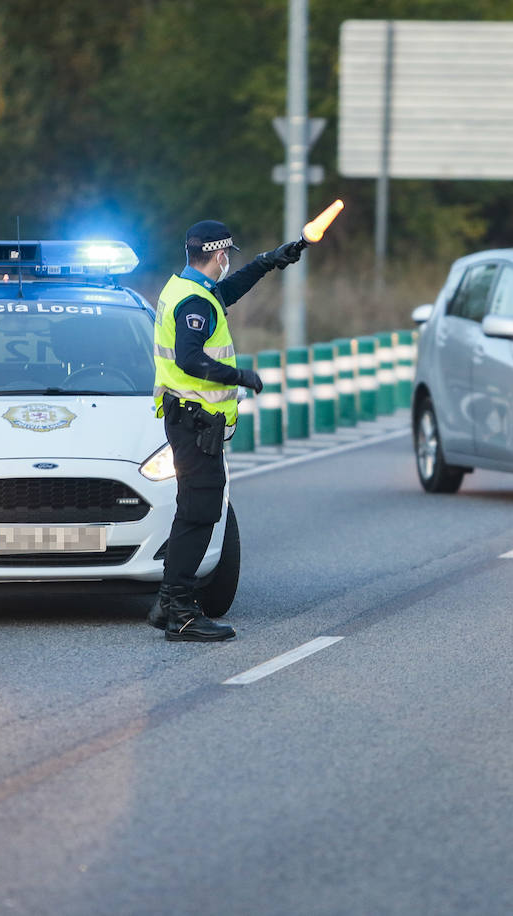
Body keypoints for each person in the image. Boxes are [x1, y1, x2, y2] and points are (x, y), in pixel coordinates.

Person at [147, 220, 304, 642]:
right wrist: (240, 376)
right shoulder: (193, 304)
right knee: (199, 513)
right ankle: (180, 610)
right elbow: (190, 359)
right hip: (195, 421)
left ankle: (168, 601)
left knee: (192, 511)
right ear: (219, 255)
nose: (227, 262)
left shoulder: (185, 288)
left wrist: (269, 262)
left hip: (188, 419)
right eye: (228, 256)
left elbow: (227, 291)